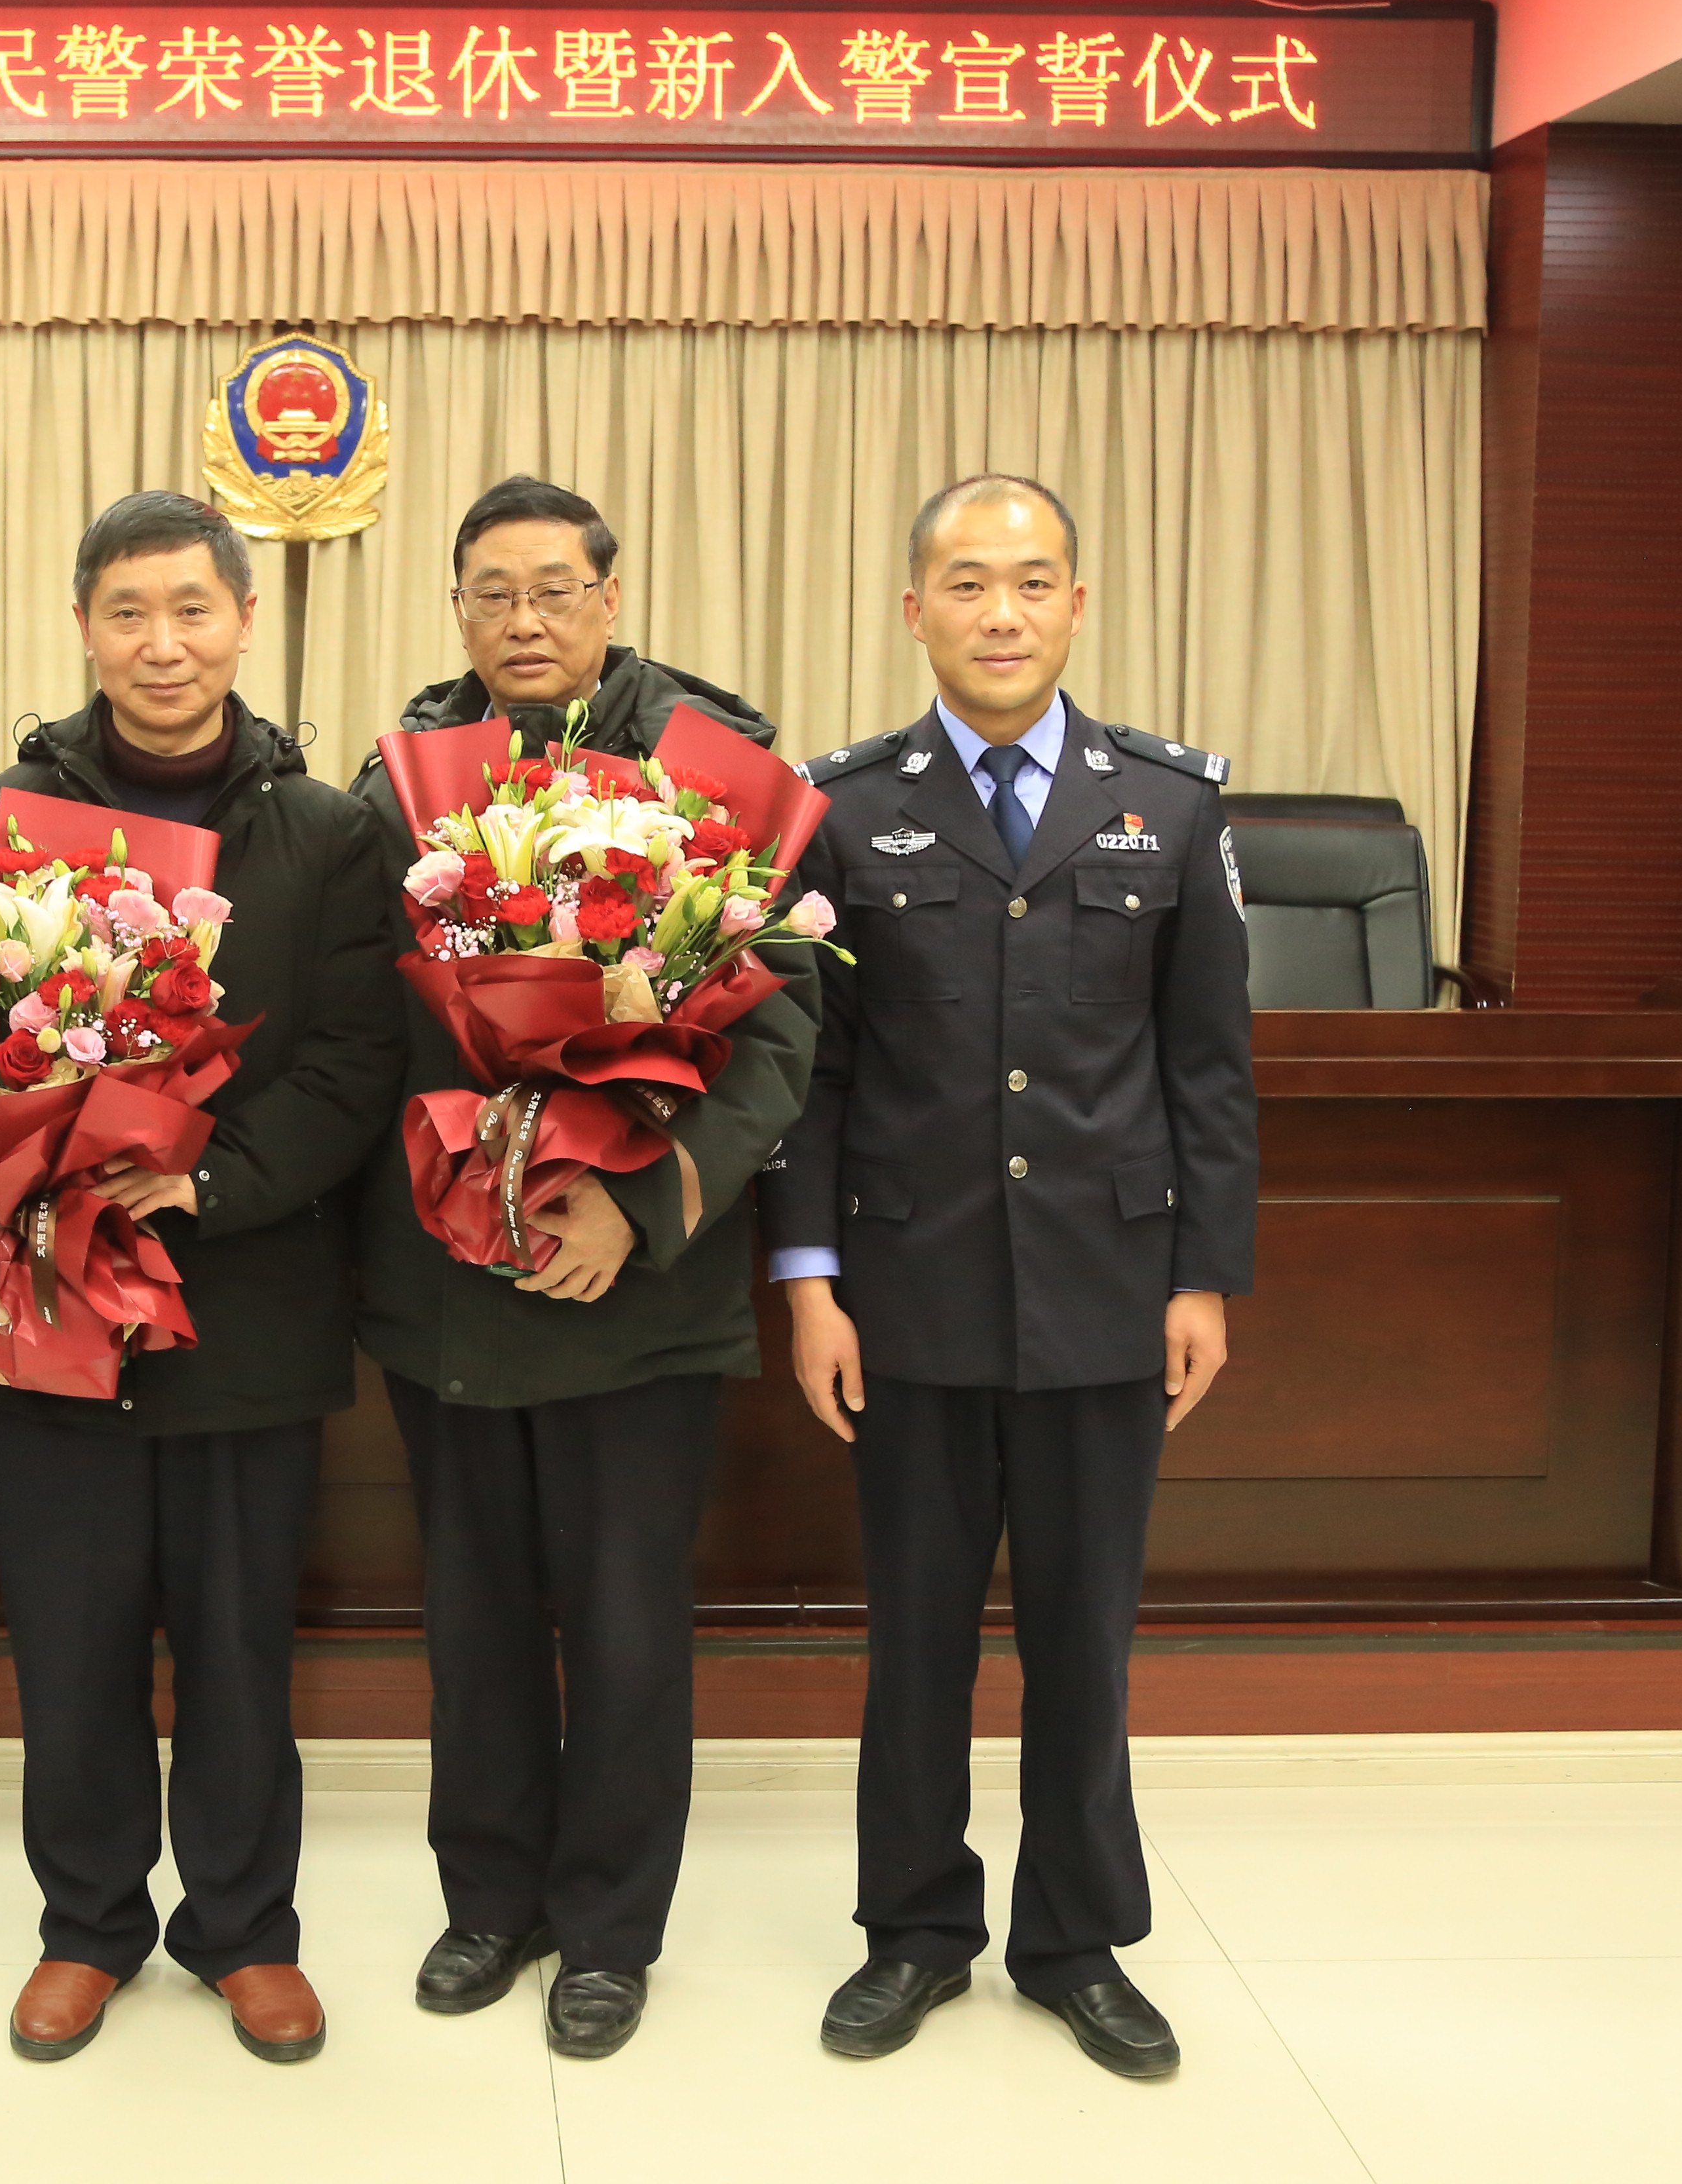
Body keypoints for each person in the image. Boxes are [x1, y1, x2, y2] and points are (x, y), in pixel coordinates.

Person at [759, 472, 1255, 2077]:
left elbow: (1209, 1069)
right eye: (968, 584)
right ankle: (914, 1932)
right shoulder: (844, 808)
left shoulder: (1169, 804)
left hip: (1109, 1291)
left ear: (1077, 606)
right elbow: (813, 1076)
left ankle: (1075, 1943)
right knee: (915, 1639)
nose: (1002, 613)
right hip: (908, 1292)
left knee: (1081, 1643)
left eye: (1033, 583)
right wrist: (811, 1280)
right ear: (916, 611)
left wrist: (1203, 1276)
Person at [0, 489, 406, 2066]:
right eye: (129, 612)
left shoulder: (325, 831)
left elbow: (352, 1065)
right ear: (83, 628)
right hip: (46, 1300)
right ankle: (89, 1925)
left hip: (247, 1305)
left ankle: (246, 1931)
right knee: (73, 1643)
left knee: (242, 1647)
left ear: (244, 622)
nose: (163, 643)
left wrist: (210, 1178)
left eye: (193, 609)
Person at [349, 474, 817, 2060]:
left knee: (623, 1623)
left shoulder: (715, 770)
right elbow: (374, 1025)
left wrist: (636, 1203)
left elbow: (780, 1043)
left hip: (641, 1282)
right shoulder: (403, 780)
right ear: (457, 611)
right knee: (474, 1615)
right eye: (492, 592)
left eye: (555, 589)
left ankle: (610, 1929)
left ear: (612, 600)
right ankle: (489, 1903)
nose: (525, 619)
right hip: (452, 1280)